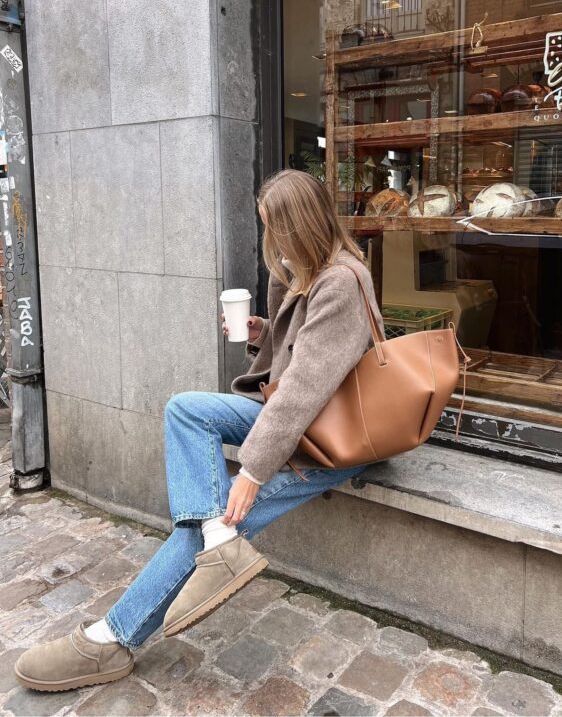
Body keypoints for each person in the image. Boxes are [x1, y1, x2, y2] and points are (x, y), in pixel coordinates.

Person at [14, 169, 386, 692]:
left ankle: (113, 640)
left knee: (207, 525)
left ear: (296, 227)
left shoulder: (341, 281)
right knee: (185, 411)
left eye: (274, 230)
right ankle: (217, 540)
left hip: (333, 442)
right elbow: (300, 362)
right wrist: (263, 331)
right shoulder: (311, 270)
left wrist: (252, 471)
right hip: (301, 421)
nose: (270, 243)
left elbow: (304, 388)